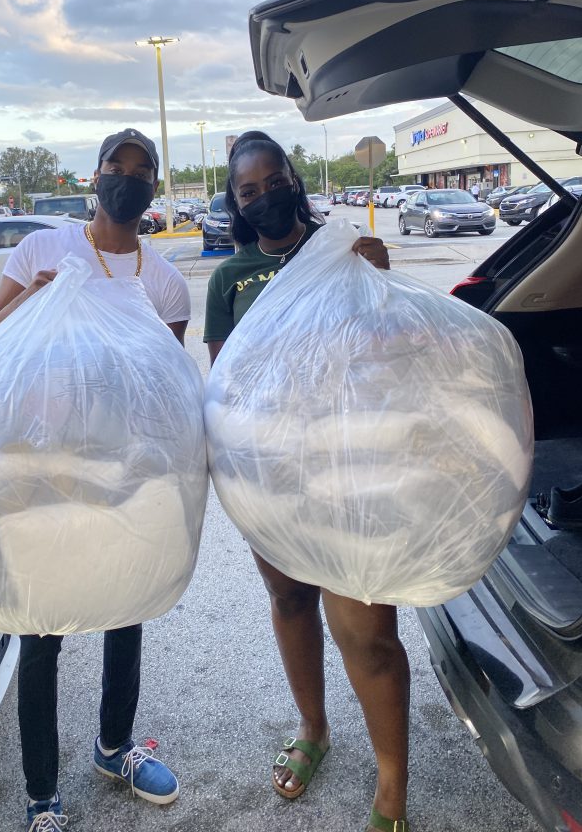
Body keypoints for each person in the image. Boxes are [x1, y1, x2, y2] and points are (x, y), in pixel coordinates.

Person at [0, 129, 189, 831]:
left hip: (123, 472)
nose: (126, 179)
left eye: (140, 170)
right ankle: (41, 795)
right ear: (94, 177)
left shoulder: (166, 284)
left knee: (125, 610)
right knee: (43, 630)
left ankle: (114, 747)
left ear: (154, 185)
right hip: (41, 471)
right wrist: (21, 308)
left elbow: (168, 392)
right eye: (115, 168)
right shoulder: (44, 248)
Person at [204, 131, 410, 832]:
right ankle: (314, 730)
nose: (264, 195)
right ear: (235, 201)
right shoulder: (228, 279)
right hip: (269, 476)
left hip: (348, 472)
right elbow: (224, 386)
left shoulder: (346, 250)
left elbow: (390, 354)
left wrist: (380, 276)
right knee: (290, 600)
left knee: (368, 629)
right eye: (247, 189)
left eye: (272, 180)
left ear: (294, 177)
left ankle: (391, 787)